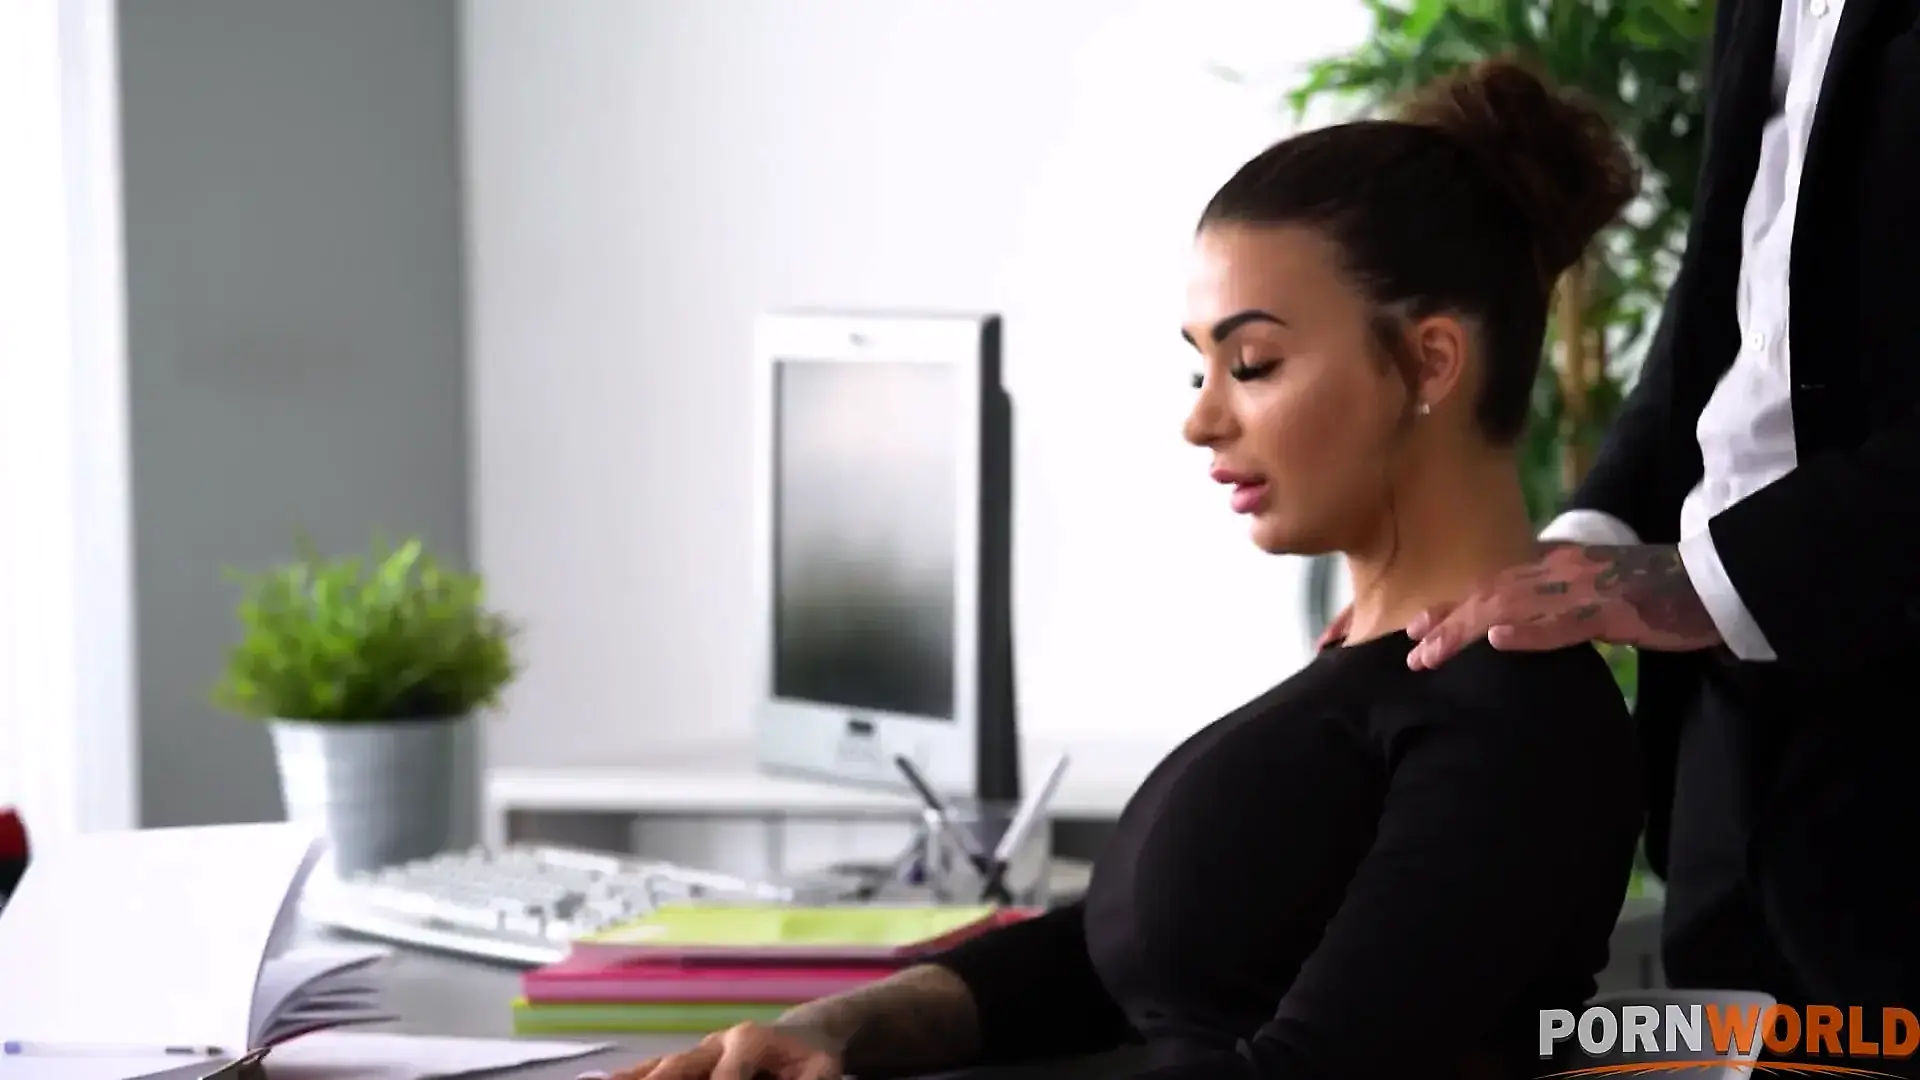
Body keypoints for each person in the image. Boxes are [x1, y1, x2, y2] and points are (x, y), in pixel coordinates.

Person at [603, 59, 1646, 1080]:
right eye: (1200, 368)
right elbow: (1107, 961)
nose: (1202, 419)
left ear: (1429, 362)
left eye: (1252, 364)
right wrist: (836, 1031)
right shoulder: (1379, 670)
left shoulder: (1511, 719)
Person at [1387, 1, 1920, 1067]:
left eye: (1253, 362)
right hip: (1728, 725)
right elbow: (1734, 297)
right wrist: (1589, 535)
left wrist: (1703, 581)